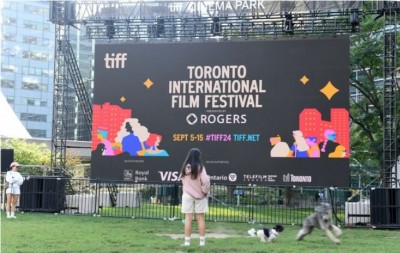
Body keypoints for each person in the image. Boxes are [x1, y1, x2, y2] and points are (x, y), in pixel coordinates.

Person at [179, 148, 210, 247]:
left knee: (188, 219)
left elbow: (182, 180)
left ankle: (187, 242)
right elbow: (205, 181)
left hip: (187, 195)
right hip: (200, 196)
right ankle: (202, 243)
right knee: (200, 219)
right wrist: (205, 191)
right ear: (198, 156)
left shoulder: (184, 167)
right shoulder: (200, 167)